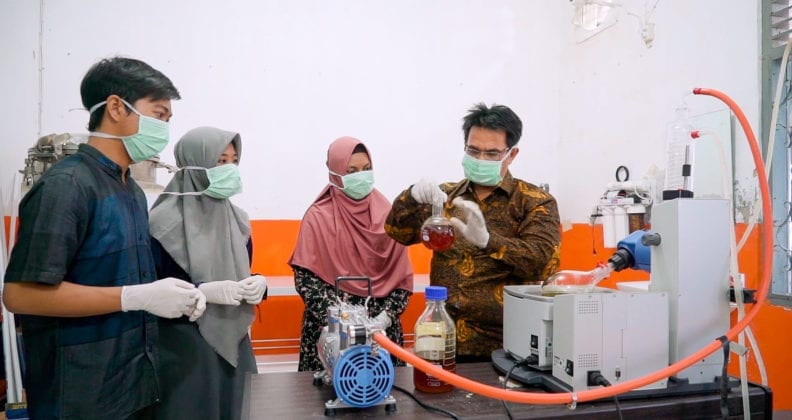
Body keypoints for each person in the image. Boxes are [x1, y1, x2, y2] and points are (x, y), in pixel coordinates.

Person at [2, 57, 205, 419]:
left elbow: (127, 278)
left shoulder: (131, 191)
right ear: (115, 107)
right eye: (158, 115)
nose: (163, 129)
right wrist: (133, 297)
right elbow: (20, 294)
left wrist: (196, 293)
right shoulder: (68, 186)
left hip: (132, 384)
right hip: (80, 393)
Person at [385, 103, 561, 362]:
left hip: (506, 347)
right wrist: (410, 197)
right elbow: (396, 231)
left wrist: (490, 241)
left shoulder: (534, 201)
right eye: (473, 150)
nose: (480, 160)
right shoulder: (444, 198)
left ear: (511, 155)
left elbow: (542, 263)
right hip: (442, 337)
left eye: (492, 153)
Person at [148, 127, 267, 420]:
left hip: (234, 339)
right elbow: (148, 290)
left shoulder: (237, 220)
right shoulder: (161, 223)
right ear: (195, 164)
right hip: (184, 348)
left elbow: (241, 274)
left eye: (233, 161)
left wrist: (258, 286)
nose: (229, 170)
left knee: (237, 409)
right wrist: (200, 290)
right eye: (219, 161)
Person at [289, 136, 414, 372]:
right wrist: (344, 322)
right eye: (352, 170)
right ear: (335, 175)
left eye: (366, 169)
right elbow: (306, 282)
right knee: (323, 402)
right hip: (331, 336)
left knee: (387, 399)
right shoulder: (318, 217)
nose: (361, 176)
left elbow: (402, 278)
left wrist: (385, 317)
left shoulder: (387, 213)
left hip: (382, 335)